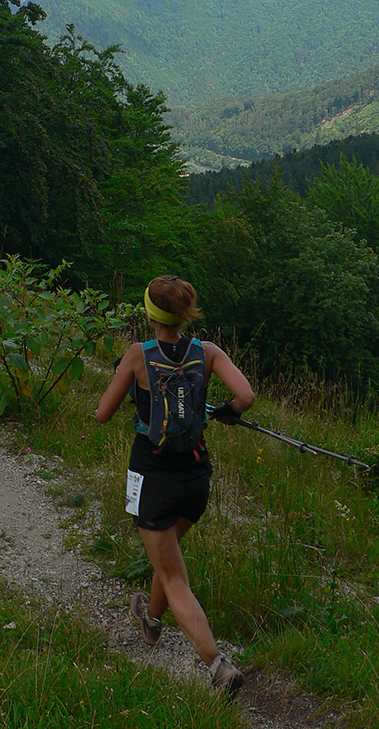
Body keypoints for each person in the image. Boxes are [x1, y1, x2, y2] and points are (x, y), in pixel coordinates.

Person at [95, 274, 255, 696]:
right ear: (185, 314)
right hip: (196, 479)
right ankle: (150, 621)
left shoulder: (137, 355)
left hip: (152, 478)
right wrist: (225, 411)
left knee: (173, 575)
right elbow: (246, 396)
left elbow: (103, 414)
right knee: (168, 558)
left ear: (150, 314)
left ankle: (218, 666)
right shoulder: (208, 352)